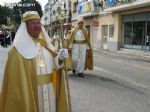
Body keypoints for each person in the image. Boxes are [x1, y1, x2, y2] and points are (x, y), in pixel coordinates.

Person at [0, 11, 71, 112]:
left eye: (38, 23)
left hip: (49, 90)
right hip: (31, 92)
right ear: (25, 26)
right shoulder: (17, 50)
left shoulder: (46, 45)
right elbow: (15, 82)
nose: (37, 26)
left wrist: (59, 57)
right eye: (33, 23)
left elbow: (55, 66)